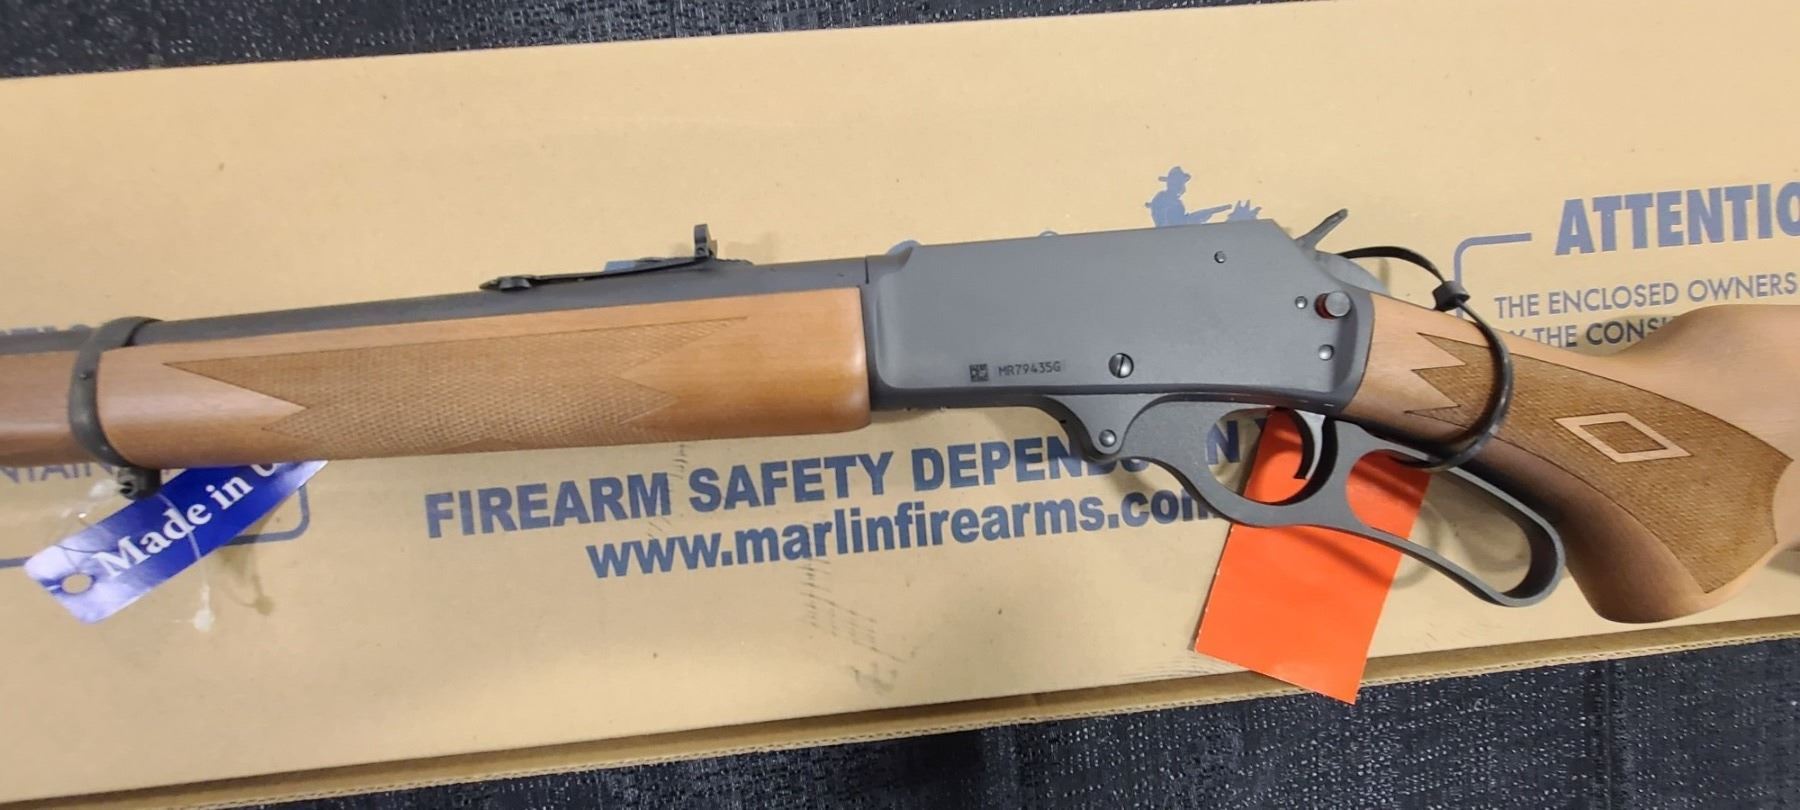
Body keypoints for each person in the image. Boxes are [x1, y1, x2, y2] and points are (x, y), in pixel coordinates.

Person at [1146, 166, 1259, 226]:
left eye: (1181, 182)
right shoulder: (1163, 198)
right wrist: (1198, 217)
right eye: (1177, 181)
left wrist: (1204, 214)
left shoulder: (1172, 199)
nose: (1180, 185)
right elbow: (1176, 222)